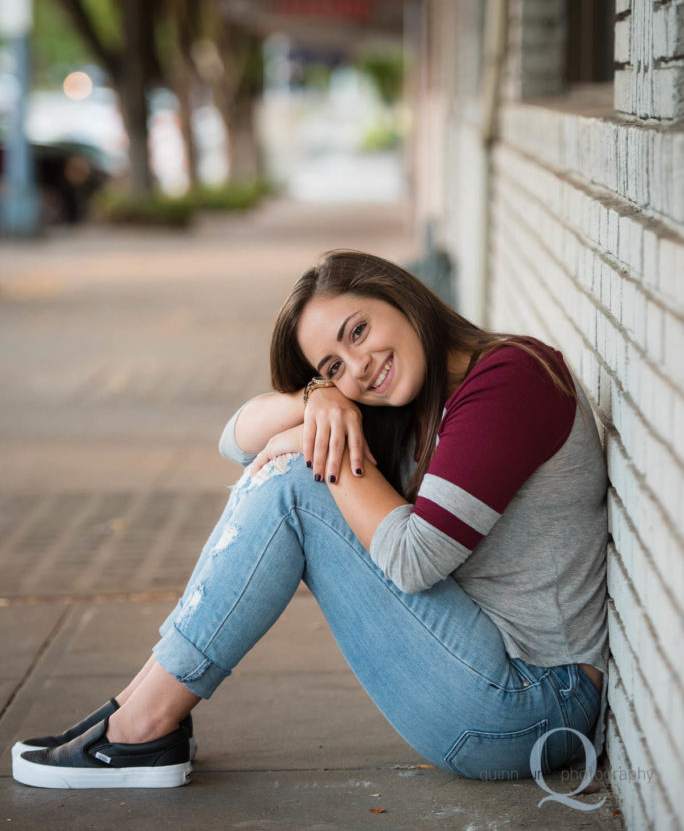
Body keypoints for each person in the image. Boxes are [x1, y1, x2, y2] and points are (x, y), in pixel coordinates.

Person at [12, 249, 608, 790]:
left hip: (536, 705)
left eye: (360, 330)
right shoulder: (408, 401)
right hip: (495, 684)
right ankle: (137, 710)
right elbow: (235, 439)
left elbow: (412, 559)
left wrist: (311, 445)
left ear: (402, 296)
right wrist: (315, 403)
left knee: (298, 483)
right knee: (293, 470)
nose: (361, 365)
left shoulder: (509, 381)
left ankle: (142, 726)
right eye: (334, 363)